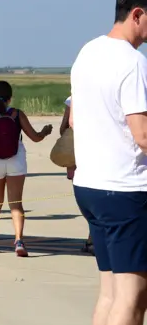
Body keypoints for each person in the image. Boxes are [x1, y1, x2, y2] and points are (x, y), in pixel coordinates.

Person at [70, 0, 147, 325]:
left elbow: (73, 120)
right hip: (126, 190)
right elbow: (143, 135)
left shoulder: (88, 52)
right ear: (137, 14)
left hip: (90, 186)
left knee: (110, 290)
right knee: (132, 296)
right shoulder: (133, 62)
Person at [0, 80, 52, 256]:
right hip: (16, 159)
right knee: (16, 203)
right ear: (10, 98)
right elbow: (35, 137)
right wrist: (45, 131)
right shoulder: (17, 114)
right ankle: (18, 241)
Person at [62, 95, 94, 254]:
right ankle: (93, 238)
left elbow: (65, 127)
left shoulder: (73, 97)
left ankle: (92, 238)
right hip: (101, 155)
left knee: (87, 200)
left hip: (81, 155)